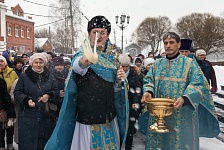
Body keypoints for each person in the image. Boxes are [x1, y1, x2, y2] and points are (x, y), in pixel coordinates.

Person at [45, 15, 129, 150]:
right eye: (95, 32)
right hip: (87, 120)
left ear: (108, 35)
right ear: (89, 34)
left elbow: (115, 91)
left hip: (109, 119)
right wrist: (83, 62)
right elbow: (77, 67)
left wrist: (119, 82)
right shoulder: (83, 55)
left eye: (103, 32)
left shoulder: (113, 59)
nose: (99, 36)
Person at [140, 32, 220, 150]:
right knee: (158, 143)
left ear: (178, 44)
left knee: (180, 145)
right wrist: (148, 92)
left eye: (171, 42)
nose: (168, 46)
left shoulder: (189, 63)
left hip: (182, 115)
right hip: (159, 115)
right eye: (166, 43)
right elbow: (148, 80)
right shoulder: (157, 64)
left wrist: (185, 98)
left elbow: (199, 83)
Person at [14, 53, 59, 150]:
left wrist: (49, 95)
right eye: (36, 62)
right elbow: (17, 92)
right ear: (31, 63)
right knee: (28, 144)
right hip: (28, 116)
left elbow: (56, 91)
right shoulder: (24, 76)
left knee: (44, 144)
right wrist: (27, 100)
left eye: (41, 62)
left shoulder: (50, 76)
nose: (38, 65)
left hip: (46, 117)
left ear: (44, 63)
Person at [118, 54, 142, 150]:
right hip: (119, 105)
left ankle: (128, 147)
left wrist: (135, 101)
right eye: (123, 66)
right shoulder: (116, 73)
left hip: (131, 104)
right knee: (119, 128)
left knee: (130, 129)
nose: (125, 69)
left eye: (127, 66)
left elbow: (138, 88)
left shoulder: (133, 73)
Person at [0, 55, 17, 150]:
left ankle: (10, 143)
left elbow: (17, 85)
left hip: (11, 102)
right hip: (1, 103)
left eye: (1, 61)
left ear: (5, 63)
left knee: (10, 124)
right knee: (0, 125)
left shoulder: (12, 73)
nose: (0, 63)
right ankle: (1, 144)